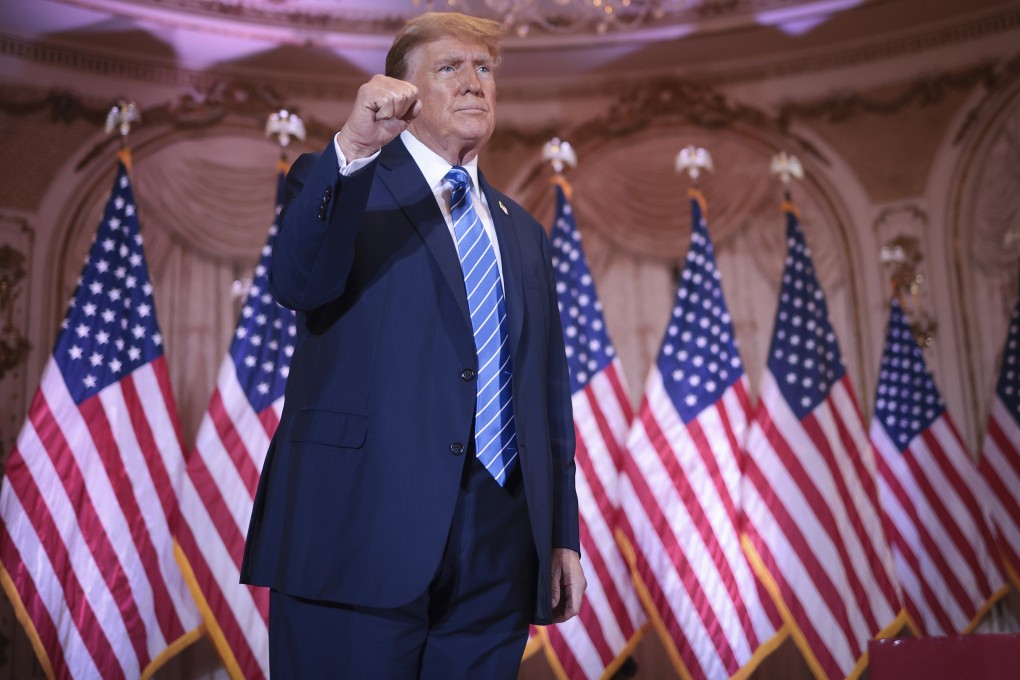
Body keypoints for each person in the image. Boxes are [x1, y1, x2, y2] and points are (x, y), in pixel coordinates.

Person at [241, 11, 585, 678]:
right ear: (398, 91)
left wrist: (559, 533)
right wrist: (353, 147)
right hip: (357, 528)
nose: (473, 83)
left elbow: (547, 392)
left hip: (501, 541)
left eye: (484, 69)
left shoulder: (522, 233)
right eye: (449, 68)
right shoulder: (342, 181)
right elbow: (297, 282)